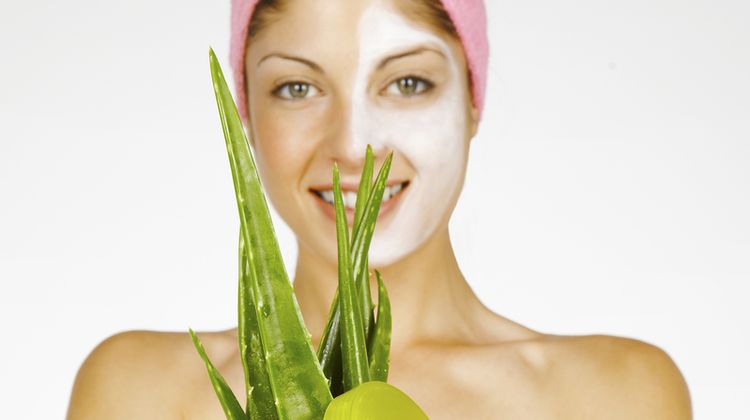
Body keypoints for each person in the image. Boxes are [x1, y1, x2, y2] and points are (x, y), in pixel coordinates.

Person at [66, 0, 692, 418]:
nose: (350, 146)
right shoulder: (134, 392)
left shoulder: (616, 396)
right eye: (297, 88)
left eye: (408, 82)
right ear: (248, 115)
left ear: (473, 99)